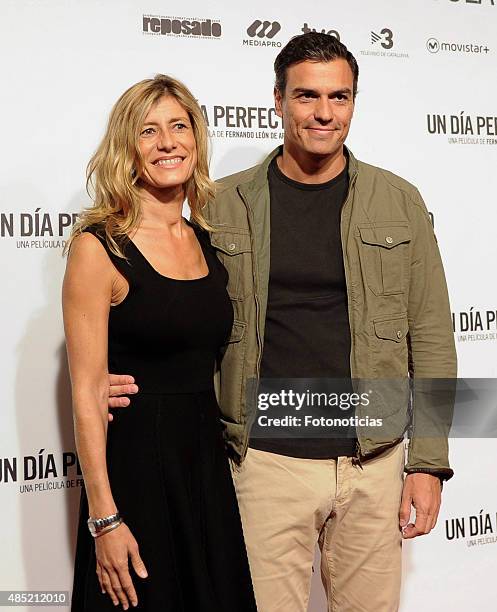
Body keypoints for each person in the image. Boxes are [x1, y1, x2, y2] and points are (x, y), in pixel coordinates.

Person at [109, 34, 457, 612]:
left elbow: (433, 338)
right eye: (307, 96)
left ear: (353, 102)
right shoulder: (223, 204)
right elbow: (175, 306)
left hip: (373, 462)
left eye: (339, 97)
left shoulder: (399, 201)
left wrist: (428, 463)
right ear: (278, 99)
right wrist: (106, 371)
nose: (324, 112)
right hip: (265, 463)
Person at [63, 74, 257, 611]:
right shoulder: (98, 248)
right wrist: (104, 518)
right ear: (128, 147)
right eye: (148, 131)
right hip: (135, 474)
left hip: (204, 471)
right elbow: (86, 393)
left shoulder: (206, 242)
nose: (167, 142)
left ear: (196, 138)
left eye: (179, 126)